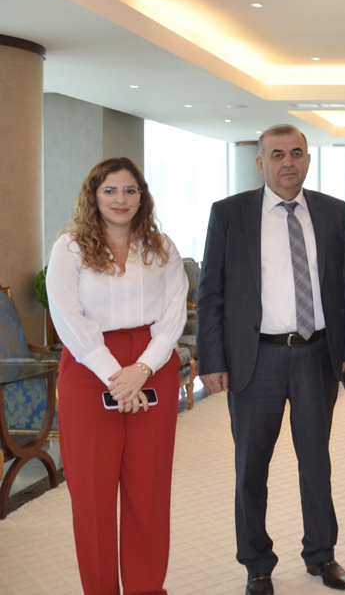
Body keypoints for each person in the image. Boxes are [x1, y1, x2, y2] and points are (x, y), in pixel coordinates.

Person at [197, 124, 345, 595]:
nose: (288, 162)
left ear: (308, 159)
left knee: (316, 461)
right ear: (260, 162)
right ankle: (257, 564)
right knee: (251, 466)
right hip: (256, 358)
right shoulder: (230, 214)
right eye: (277, 154)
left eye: (297, 153)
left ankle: (321, 555)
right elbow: (212, 293)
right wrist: (212, 358)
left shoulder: (332, 211)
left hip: (315, 355)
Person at [46, 157, 187, 594]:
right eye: (110, 190)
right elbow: (67, 317)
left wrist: (142, 368)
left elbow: (174, 313)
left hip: (153, 365)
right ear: (94, 195)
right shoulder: (69, 248)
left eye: (130, 191)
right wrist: (115, 375)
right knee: (92, 496)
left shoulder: (162, 247)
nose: (120, 199)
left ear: (142, 197)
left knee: (148, 489)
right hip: (90, 370)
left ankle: (147, 588)